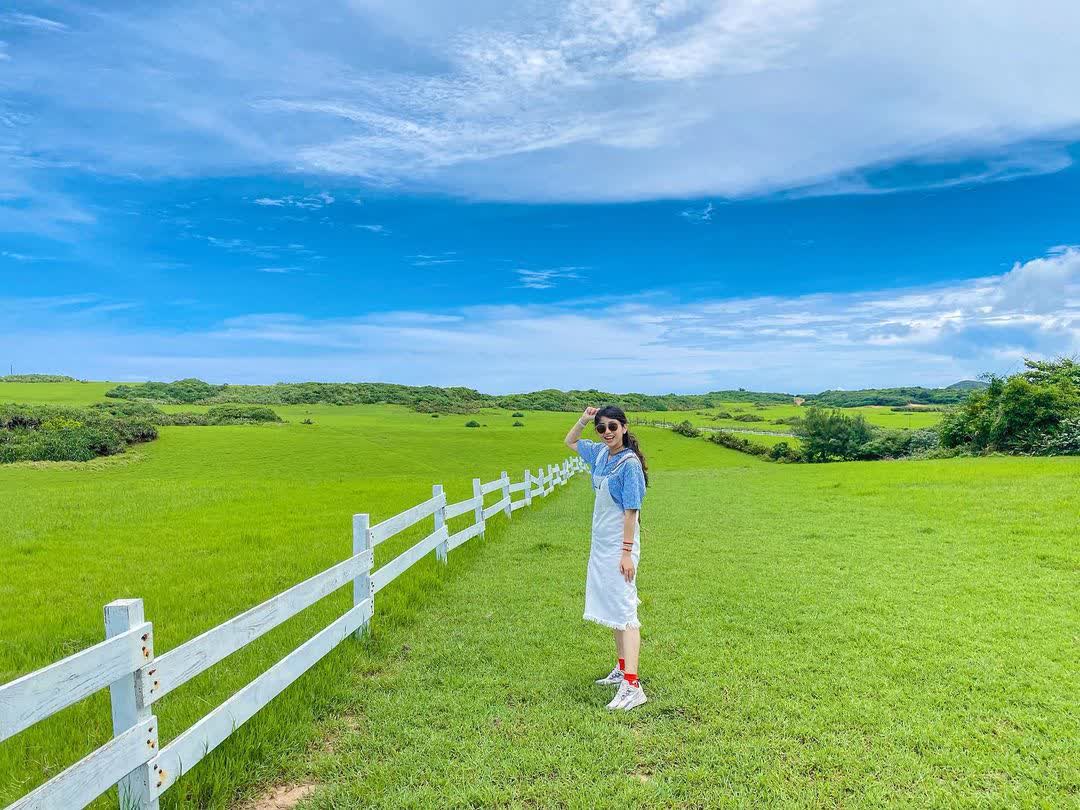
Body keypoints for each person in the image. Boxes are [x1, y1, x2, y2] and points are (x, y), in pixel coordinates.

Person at [564, 405, 650, 711]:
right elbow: (571, 442)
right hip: (600, 544)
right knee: (614, 607)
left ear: (624, 428)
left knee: (625, 609)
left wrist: (626, 554)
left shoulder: (629, 465)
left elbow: (631, 511)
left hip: (619, 546)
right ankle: (621, 667)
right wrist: (584, 420)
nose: (607, 433)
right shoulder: (601, 455)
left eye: (612, 426)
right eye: (601, 428)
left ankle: (633, 685)